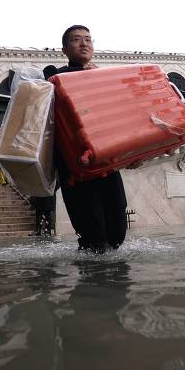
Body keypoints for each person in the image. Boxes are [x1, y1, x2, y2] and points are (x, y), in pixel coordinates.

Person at [43, 25, 127, 253]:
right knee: (93, 234)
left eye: (88, 40)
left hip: (106, 161)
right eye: (76, 40)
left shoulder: (103, 77)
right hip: (74, 166)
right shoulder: (54, 77)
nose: (84, 44)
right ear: (64, 49)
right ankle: (92, 279)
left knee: (118, 230)